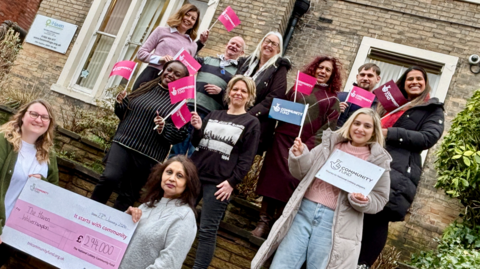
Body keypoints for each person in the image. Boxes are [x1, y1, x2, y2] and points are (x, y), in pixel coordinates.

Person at [252, 108, 392, 269]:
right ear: (349, 124)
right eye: (357, 123)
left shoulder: (378, 160)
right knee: (282, 264)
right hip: (303, 211)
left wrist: (363, 200)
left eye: (367, 126)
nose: (360, 129)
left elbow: (380, 199)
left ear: (374, 132)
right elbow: (302, 172)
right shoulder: (331, 144)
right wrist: (300, 155)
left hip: (335, 221)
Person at [357, 66, 445, 268]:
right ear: (403, 83)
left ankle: (362, 264)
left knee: (379, 216)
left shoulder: (432, 109)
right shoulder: (389, 105)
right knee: (357, 209)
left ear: (425, 84)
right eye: (410, 79)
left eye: (419, 79)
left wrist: (389, 133)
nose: (414, 82)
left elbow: (428, 138)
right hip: (369, 162)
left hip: (397, 170)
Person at [251, 56, 343, 238]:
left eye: (328, 70)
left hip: (303, 147)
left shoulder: (333, 100)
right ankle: (263, 222)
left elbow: (328, 129)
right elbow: (281, 108)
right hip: (281, 140)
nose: (323, 72)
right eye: (320, 68)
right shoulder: (299, 88)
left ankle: (278, 225)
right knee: (272, 179)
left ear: (333, 75)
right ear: (314, 69)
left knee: (289, 182)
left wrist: (306, 147)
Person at [90, 60, 190, 212]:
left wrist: (163, 128)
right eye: (169, 70)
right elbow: (124, 113)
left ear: (182, 81)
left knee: (128, 194)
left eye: (177, 74)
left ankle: (111, 228)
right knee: (109, 177)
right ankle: (87, 214)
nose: (170, 75)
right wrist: (120, 103)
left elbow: (180, 134)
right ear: (163, 70)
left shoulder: (181, 105)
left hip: (148, 155)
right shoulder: (145, 87)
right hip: (123, 142)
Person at [189, 75, 260, 269]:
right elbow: (198, 143)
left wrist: (232, 182)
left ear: (250, 96)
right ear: (229, 92)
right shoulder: (213, 115)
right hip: (194, 176)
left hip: (219, 184)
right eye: (235, 89)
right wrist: (197, 129)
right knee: (178, 221)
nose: (238, 93)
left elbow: (247, 158)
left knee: (206, 231)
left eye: (243, 91)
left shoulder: (251, 123)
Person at [0, 99, 59, 266]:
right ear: (22, 117)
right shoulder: (3, 141)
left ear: (49, 124)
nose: (39, 120)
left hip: (12, 234)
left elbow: (55, 194)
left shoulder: (48, 155)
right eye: (34, 114)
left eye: (44, 117)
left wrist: (43, 183)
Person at [169, 36, 246, 157]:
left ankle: (187, 175)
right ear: (226, 44)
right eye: (232, 43)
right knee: (178, 145)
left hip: (209, 114)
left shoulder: (238, 73)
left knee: (195, 150)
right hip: (190, 107)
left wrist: (221, 92)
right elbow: (186, 60)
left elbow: (235, 98)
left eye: (238, 46)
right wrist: (200, 43)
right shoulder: (208, 60)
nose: (233, 46)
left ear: (242, 53)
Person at [119, 155, 200, 269]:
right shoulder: (146, 206)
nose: (172, 178)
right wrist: (124, 220)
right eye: (169, 172)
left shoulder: (184, 217)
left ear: (188, 183)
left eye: (179, 176)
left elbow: (169, 264)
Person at [236, 31, 291, 154]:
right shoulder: (247, 63)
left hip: (256, 123)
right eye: (267, 41)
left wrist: (248, 115)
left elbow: (275, 97)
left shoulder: (279, 68)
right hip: (235, 116)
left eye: (274, 44)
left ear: (278, 50)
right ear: (261, 43)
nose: (269, 45)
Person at [133, 3, 208, 90]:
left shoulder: (193, 45)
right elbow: (140, 54)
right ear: (180, 14)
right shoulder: (161, 31)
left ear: (195, 23)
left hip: (171, 85)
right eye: (187, 15)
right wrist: (160, 59)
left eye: (193, 18)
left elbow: (186, 72)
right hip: (151, 76)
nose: (189, 19)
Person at [337, 63, 382, 127]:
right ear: (357, 77)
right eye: (362, 75)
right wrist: (334, 111)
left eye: (370, 76)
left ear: (378, 79)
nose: (365, 78)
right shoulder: (339, 96)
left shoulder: (378, 105)